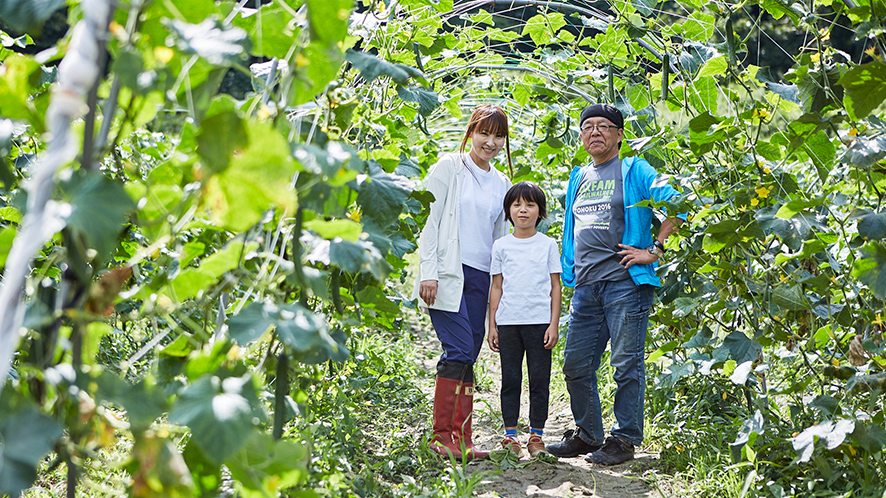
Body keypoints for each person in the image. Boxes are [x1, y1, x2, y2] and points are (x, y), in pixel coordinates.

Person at [546, 104, 684, 465]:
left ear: (619, 134)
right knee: (576, 364)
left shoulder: (634, 169)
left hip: (625, 283)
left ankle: (624, 440)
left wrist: (655, 249)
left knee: (626, 364)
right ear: (580, 135)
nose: (595, 132)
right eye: (587, 127)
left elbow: (678, 203)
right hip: (587, 286)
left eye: (604, 126)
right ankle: (588, 434)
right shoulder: (579, 176)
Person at [413, 104, 513, 460]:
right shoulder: (449, 167)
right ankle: (441, 436)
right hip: (448, 273)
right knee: (457, 350)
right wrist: (429, 271)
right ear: (471, 132)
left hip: (481, 279)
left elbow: (500, 241)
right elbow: (430, 222)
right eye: (484, 133)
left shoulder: (502, 184)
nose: (491, 142)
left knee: (469, 355)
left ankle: (463, 439)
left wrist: (500, 296)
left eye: (498, 136)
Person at [487, 181, 561, 460]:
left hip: (539, 323)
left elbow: (555, 287)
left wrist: (553, 324)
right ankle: (510, 435)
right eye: (516, 204)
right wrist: (492, 325)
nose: (523, 210)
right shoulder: (501, 246)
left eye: (530, 204)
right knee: (511, 379)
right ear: (508, 210)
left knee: (539, 379)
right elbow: (496, 286)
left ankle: (536, 436)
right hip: (508, 323)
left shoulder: (547, 245)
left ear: (540, 212)